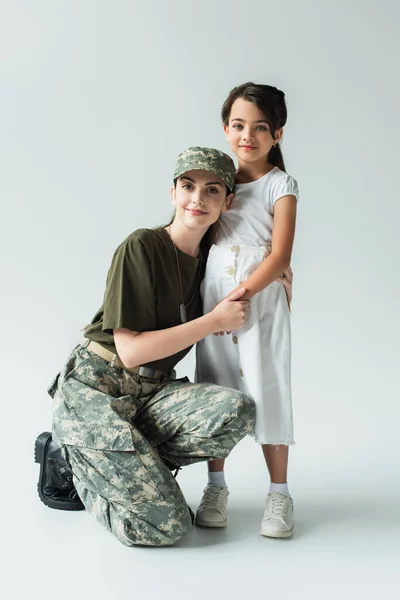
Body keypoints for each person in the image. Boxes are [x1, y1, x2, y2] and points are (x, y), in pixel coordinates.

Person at [34, 147, 256, 547]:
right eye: (187, 187)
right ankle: (73, 455)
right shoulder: (142, 247)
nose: (197, 199)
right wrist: (213, 322)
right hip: (95, 391)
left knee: (237, 411)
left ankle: (115, 462)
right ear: (173, 194)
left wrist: (278, 270)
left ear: (228, 202)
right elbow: (131, 351)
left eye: (211, 190)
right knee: (166, 526)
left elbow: (257, 266)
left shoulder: (214, 261)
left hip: (151, 395)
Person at [195, 83, 299, 538]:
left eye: (260, 127)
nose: (247, 136)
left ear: (277, 133)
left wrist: (242, 295)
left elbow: (278, 255)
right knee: (215, 380)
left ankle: (279, 494)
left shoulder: (281, 185)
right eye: (238, 125)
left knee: (267, 382)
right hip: (214, 292)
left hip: (258, 296)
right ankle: (216, 486)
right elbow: (195, 225)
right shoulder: (219, 179)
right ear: (225, 128)